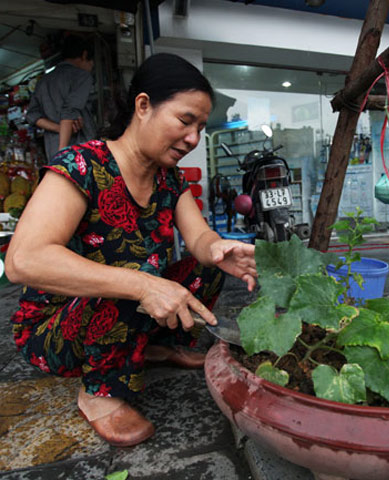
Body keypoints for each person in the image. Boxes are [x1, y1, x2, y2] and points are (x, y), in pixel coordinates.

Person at [6, 53, 257, 448]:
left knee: (208, 266)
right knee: (133, 275)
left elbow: (199, 238)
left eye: (200, 127)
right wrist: (140, 285)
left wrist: (220, 248)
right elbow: (22, 260)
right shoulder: (81, 165)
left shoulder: (168, 179)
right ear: (143, 106)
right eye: (185, 120)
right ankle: (98, 394)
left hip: (121, 309)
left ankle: (155, 345)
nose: (193, 138)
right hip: (57, 329)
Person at [26, 34, 97, 162]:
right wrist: (62, 151)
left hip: (53, 150)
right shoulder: (82, 76)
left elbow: (32, 116)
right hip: (79, 153)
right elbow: (69, 112)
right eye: (91, 62)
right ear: (84, 55)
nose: (91, 66)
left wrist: (58, 128)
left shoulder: (43, 81)